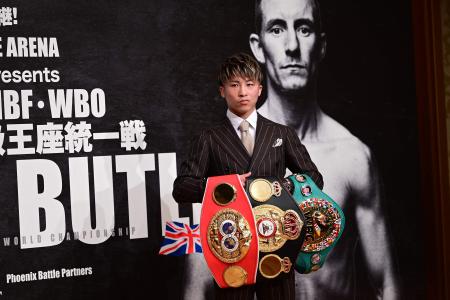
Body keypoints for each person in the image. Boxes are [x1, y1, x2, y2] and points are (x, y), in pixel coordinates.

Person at [248, 0, 399, 299]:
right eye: (277, 29)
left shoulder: (353, 157)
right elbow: (198, 289)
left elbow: (387, 285)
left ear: (321, 45)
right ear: (258, 47)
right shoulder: (227, 153)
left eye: (304, 29)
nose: (292, 45)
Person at [173, 52, 323, 300]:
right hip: (231, 246)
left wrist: (282, 187)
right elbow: (182, 188)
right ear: (222, 91)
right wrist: (228, 186)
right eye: (234, 85)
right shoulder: (208, 138)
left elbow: (313, 179)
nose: (242, 92)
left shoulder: (282, 133)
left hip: (278, 244)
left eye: (249, 84)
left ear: (260, 89)